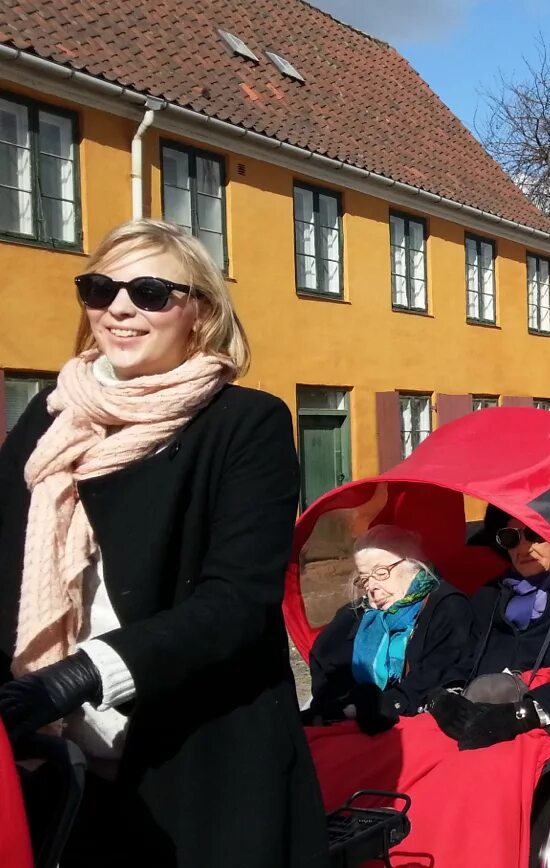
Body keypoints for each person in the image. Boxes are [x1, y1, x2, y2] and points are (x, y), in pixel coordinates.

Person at [0, 219, 326, 866]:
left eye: (149, 292)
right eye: (99, 288)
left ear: (200, 313)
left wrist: (82, 675)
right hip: (53, 751)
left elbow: (236, 601)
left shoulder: (245, 425)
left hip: (197, 756)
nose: (119, 307)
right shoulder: (49, 415)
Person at [428, 508, 550, 748]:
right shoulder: (489, 596)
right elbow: (460, 657)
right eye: (511, 537)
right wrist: (443, 697)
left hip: (549, 732)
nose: (524, 547)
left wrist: (526, 714)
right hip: (477, 720)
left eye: (535, 534)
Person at [306, 526, 472, 733]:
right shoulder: (353, 614)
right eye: (365, 579)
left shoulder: (446, 606)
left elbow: (440, 672)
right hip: (352, 722)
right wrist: (345, 706)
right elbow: (326, 665)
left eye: (381, 573)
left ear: (413, 564)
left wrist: (387, 704)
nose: (372, 587)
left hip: (415, 723)